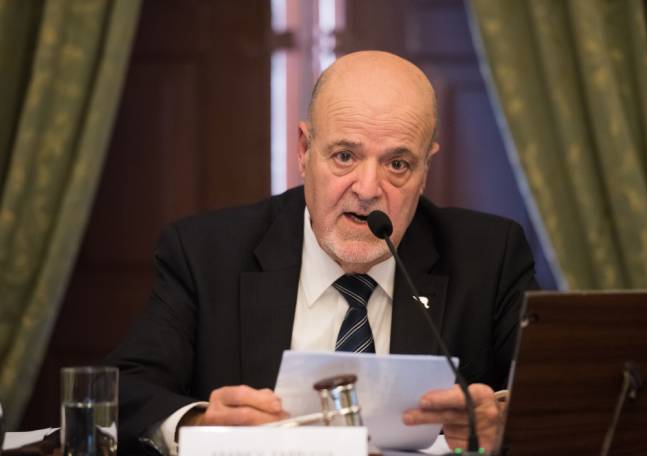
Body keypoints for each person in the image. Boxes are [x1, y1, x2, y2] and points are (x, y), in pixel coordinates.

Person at [106, 50, 537, 455]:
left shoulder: (488, 258)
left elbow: (554, 395)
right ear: (304, 150)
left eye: (398, 164)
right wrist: (200, 424)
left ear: (425, 169)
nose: (367, 189)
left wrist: (504, 421)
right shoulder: (206, 254)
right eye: (345, 156)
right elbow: (125, 390)